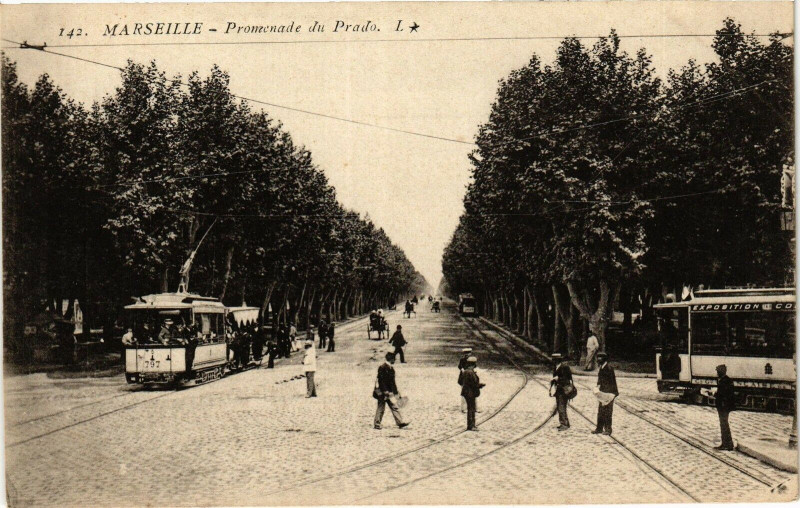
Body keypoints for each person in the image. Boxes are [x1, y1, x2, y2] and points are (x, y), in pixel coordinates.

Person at [374, 352, 409, 429]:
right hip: (383, 393)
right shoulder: (382, 368)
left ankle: (400, 422)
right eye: (394, 359)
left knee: (394, 407)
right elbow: (381, 381)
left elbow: (393, 382)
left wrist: (396, 392)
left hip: (389, 393)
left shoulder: (391, 368)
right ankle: (377, 424)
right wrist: (385, 391)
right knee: (381, 408)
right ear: (391, 359)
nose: (395, 360)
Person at [593, 352, 619, 435]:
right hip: (602, 393)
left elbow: (612, 382)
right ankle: (599, 428)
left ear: (604, 359)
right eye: (598, 357)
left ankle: (608, 429)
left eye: (599, 358)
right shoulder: (602, 367)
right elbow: (600, 380)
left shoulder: (608, 368)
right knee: (600, 411)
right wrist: (597, 387)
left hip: (609, 394)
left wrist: (607, 394)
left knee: (607, 412)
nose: (598, 360)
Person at [712, 364, 736, 450]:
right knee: (724, 424)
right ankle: (727, 443)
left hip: (723, 406)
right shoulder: (728, 380)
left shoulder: (723, 381)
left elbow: (722, 394)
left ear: (721, 372)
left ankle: (727, 444)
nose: (717, 373)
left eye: (718, 371)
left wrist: (714, 394)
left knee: (724, 424)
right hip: (726, 405)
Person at [458, 356, 485, 431]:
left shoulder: (465, 371)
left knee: (471, 408)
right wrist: (480, 385)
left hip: (466, 392)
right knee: (471, 409)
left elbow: (460, 381)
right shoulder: (471, 372)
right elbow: (473, 384)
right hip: (470, 393)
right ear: (474, 364)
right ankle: (471, 425)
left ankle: (472, 425)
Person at [550, 353, 573, 430]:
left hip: (564, 390)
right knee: (561, 406)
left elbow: (568, 379)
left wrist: (558, 379)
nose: (553, 361)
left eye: (554, 360)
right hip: (559, 390)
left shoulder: (564, 367)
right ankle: (565, 423)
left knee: (561, 407)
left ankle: (564, 424)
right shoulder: (556, 367)